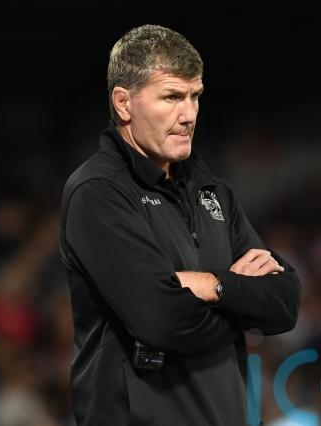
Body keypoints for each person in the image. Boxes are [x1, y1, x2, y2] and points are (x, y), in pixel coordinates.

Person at [59, 24, 301, 425]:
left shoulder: (212, 190)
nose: (188, 115)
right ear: (123, 103)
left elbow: (285, 300)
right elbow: (161, 319)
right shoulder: (97, 192)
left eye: (195, 96)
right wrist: (242, 305)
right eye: (171, 96)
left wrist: (212, 285)